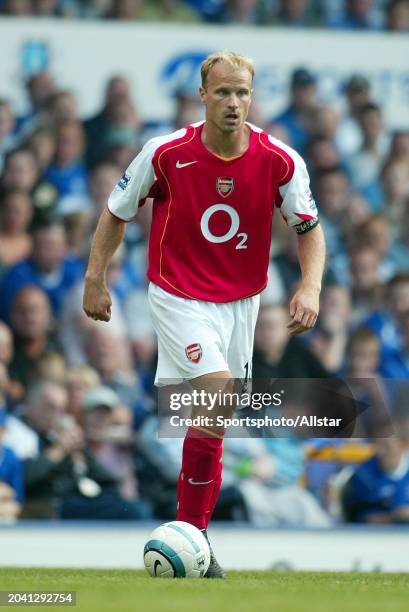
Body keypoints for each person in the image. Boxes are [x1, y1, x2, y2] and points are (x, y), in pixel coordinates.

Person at [83, 51, 325, 577]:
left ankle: (195, 538)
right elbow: (116, 213)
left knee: (213, 422)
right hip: (178, 295)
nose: (233, 102)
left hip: (242, 304)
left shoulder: (279, 159)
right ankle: (191, 533)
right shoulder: (166, 152)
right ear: (203, 95)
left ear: (252, 97)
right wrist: (95, 277)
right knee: (215, 393)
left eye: (242, 92)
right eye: (223, 92)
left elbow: (308, 229)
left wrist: (310, 286)